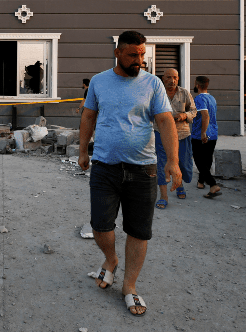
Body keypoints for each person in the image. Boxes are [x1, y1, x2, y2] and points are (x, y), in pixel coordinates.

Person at [78, 30, 180, 317]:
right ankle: (110, 259)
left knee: (138, 231)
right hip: (105, 167)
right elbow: (88, 116)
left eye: (142, 55)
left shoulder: (153, 83)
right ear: (118, 53)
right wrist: (83, 150)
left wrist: (172, 160)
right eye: (133, 55)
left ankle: (130, 287)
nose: (139, 60)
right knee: (100, 225)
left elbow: (164, 120)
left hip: (143, 169)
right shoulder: (99, 81)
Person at [153, 68, 197, 209]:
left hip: (182, 134)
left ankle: (180, 184)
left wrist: (184, 116)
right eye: (169, 78)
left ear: (178, 78)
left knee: (183, 163)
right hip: (161, 134)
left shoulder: (184, 93)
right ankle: (163, 196)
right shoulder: (157, 93)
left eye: (175, 78)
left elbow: (194, 111)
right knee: (162, 164)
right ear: (163, 78)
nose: (172, 81)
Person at [192, 76, 221, 198]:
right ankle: (200, 182)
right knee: (207, 159)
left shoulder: (199, 99)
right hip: (213, 133)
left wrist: (203, 132)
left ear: (197, 85)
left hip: (200, 135)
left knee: (199, 161)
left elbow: (205, 115)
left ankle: (213, 184)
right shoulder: (212, 98)